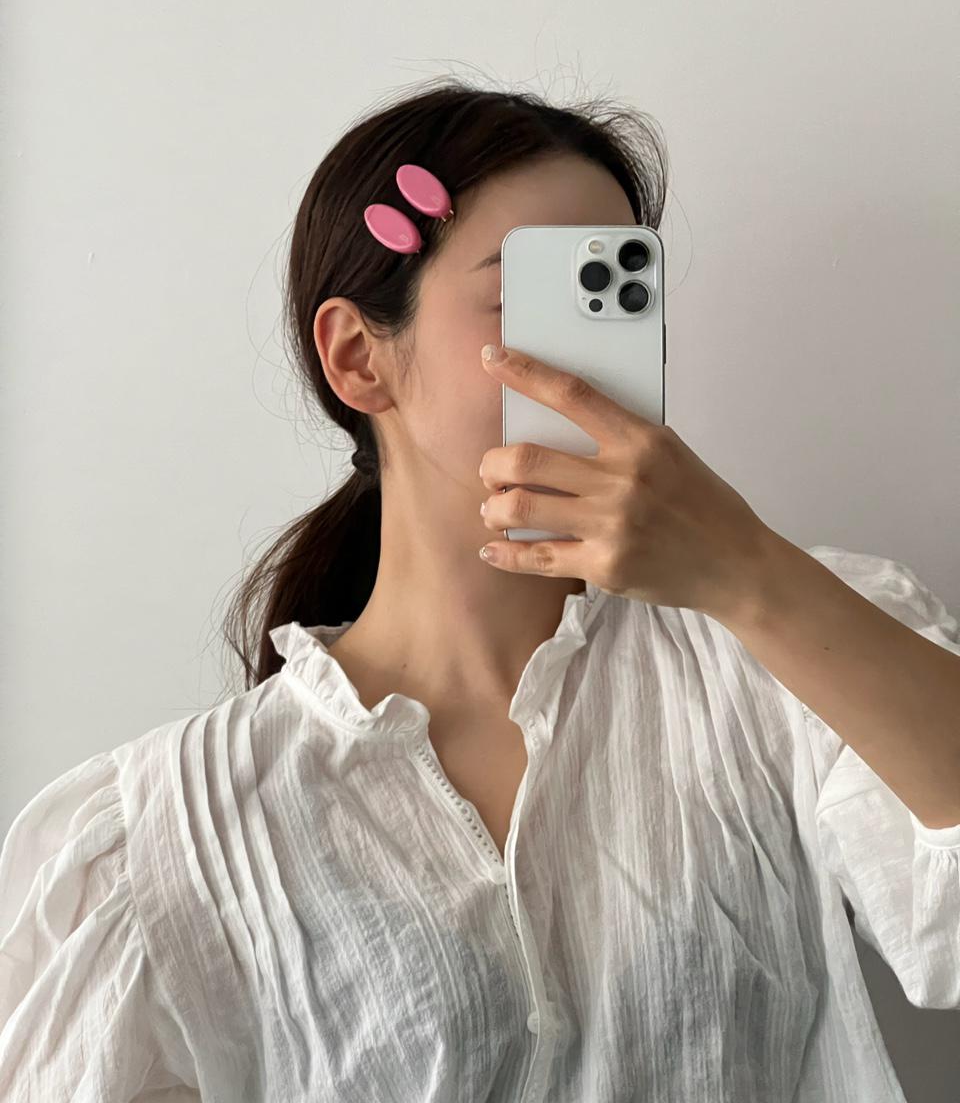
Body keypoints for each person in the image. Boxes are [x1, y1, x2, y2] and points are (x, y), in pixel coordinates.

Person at [1, 76, 958, 1101]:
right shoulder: (166, 829)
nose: (591, 357)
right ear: (359, 358)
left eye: (621, 293)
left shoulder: (779, 667)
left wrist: (748, 572)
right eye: (536, 300)